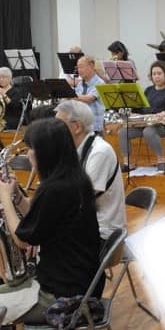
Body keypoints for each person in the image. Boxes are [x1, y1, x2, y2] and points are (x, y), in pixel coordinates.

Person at [0, 118, 102, 330]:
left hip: (62, 294)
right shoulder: (74, 180)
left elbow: (24, 240)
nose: (28, 154)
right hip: (75, 280)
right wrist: (17, 195)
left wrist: (5, 200)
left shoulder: (55, 189)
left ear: (46, 153)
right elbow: (38, 218)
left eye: (32, 149)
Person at [55, 100, 126, 243]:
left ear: (77, 127)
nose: (54, 129)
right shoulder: (76, 148)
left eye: (58, 125)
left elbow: (81, 196)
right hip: (86, 225)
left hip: (102, 232)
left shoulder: (99, 151)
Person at [117, 60, 165, 173]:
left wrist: (162, 114)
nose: (156, 76)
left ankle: (161, 160)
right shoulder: (148, 90)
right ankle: (127, 163)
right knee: (123, 131)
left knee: (148, 131)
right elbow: (140, 108)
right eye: (154, 74)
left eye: (159, 73)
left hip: (163, 125)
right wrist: (132, 113)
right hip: (145, 122)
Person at [74, 55, 106, 133]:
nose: (79, 70)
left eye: (81, 67)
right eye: (78, 68)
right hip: (82, 124)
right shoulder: (80, 83)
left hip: (95, 127)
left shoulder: (100, 83)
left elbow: (89, 98)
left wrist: (70, 95)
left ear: (91, 66)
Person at [0, 66, 25, 130]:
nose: (1, 79)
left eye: (4, 77)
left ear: (10, 78)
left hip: (11, 119)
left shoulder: (16, 91)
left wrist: (4, 95)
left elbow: (14, 105)